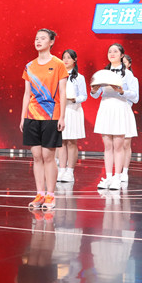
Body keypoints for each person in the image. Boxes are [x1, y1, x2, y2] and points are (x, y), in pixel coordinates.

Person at [19, 28, 68, 211]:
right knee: (37, 156)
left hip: (51, 115)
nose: (38, 41)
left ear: (51, 42)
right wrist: (23, 116)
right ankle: (39, 194)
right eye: (36, 38)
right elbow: (27, 94)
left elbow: (63, 92)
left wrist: (62, 116)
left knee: (48, 156)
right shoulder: (29, 66)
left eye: (43, 38)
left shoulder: (58, 64)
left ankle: (50, 195)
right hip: (32, 116)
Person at [91, 43, 138, 190]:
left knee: (118, 146)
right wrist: (94, 90)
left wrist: (122, 91)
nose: (112, 54)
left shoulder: (128, 74)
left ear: (122, 55)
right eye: (110, 51)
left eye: (115, 51)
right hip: (106, 108)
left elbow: (135, 97)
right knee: (107, 146)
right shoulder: (102, 73)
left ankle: (117, 177)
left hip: (120, 108)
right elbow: (95, 95)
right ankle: (108, 177)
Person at [57, 49, 86, 184]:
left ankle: (70, 171)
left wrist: (74, 99)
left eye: (69, 57)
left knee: (71, 142)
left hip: (73, 111)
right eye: (64, 57)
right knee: (61, 142)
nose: (66, 60)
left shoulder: (79, 78)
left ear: (75, 60)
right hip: (60, 111)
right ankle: (61, 169)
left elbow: (84, 96)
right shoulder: (58, 75)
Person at [121, 54, 139, 184]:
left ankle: (124, 172)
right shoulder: (110, 76)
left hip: (125, 111)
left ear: (129, 64)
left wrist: (123, 92)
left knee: (125, 144)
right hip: (113, 111)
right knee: (114, 144)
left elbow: (135, 98)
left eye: (124, 62)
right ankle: (115, 172)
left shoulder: (132, 78)